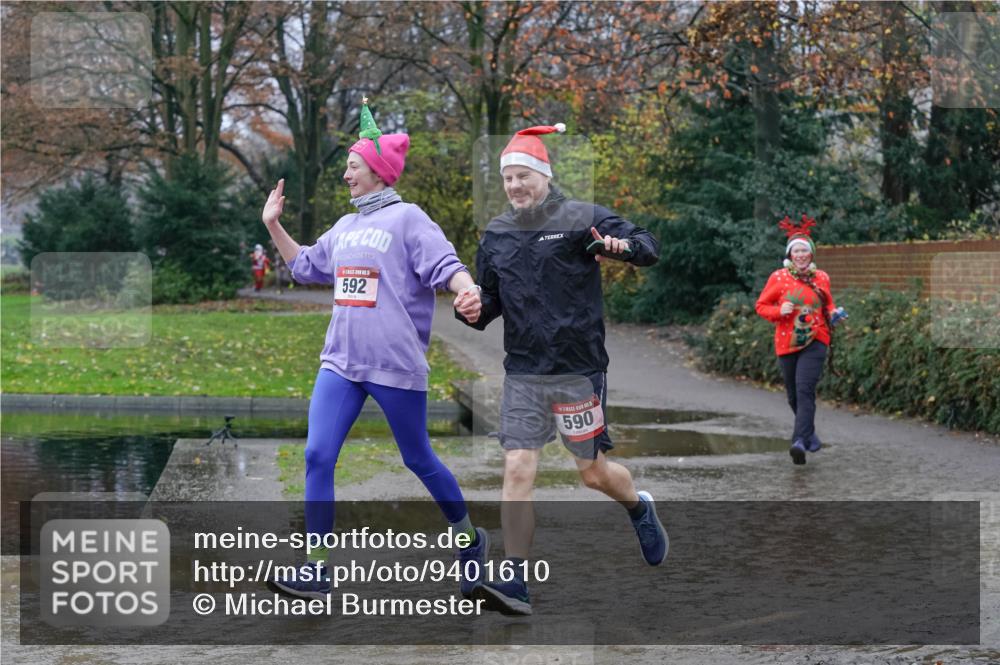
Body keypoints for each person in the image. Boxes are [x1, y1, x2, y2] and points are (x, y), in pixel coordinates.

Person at [260, 98, 488, 599]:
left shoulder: (408, 219)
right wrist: (273, 224)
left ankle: (470, 542)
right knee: (318, 456)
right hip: (340, 364)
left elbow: (446, 265)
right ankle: (316, 568)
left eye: (353, 166)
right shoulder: (344, 228)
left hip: (394, 365)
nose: (346, 175)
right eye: (346, 166)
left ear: (379, 173)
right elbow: (303, 267)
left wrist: (466, 288)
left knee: (419, 458)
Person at [453, 123, 668, 616]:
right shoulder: (497, 235)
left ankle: (639, 506)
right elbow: (488, 305)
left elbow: (648, 244)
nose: (514, 186)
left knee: (592, 474)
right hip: (524, 373)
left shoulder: (581, 218)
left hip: (578, 372)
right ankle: (516, 582)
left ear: (544, 176)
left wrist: (623, 248)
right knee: (517, 466)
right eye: (507, 178)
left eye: (523, 176)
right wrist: (471, 308)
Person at [755, 215, 845, 465]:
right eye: (797, 251)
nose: (801, 254)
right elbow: (761, 305)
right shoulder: (779, 278)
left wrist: (834, 314)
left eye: (805, 250)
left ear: (811, 254)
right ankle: (809, 435)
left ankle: (798, 442)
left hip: (816, 339)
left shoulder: (821, 278)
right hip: (787, 341)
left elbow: (828, 304)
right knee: (793, 397)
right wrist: (778, 311)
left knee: (805, 391)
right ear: (790, 254)